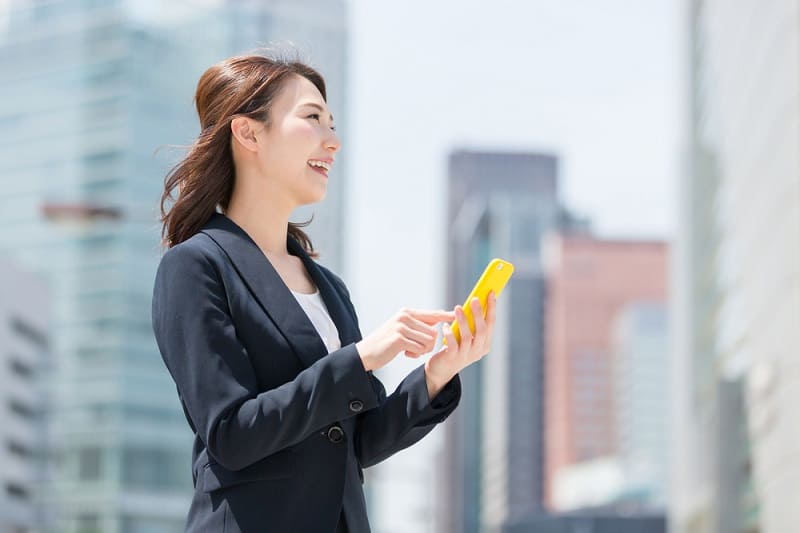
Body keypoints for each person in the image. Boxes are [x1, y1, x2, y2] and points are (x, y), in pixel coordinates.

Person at [151, 52, 497, 533]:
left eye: (332, 124)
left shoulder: (328, 287)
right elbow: (230, 433)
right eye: (312, 119)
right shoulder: (195, 266)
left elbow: (356, 444)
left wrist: (437, 374)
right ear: (248, 133)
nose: (333, 141)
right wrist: (360, 358)